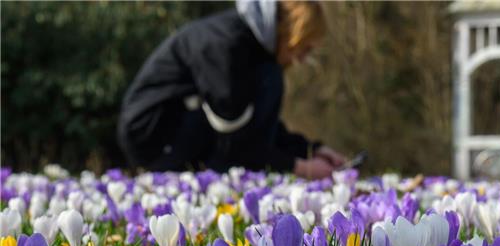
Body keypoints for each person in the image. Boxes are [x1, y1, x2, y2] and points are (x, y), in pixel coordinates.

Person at [117, 0, 346, 179]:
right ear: (291, 33)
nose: (301, 60)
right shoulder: (227, 47)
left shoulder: (250, 45)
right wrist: (301, 167)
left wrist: (311, 150)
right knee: (271, 79)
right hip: (151, 135)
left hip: (175, 124)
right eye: (303, 48)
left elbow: (256, 129)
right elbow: (240, 144)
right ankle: (212, 177)